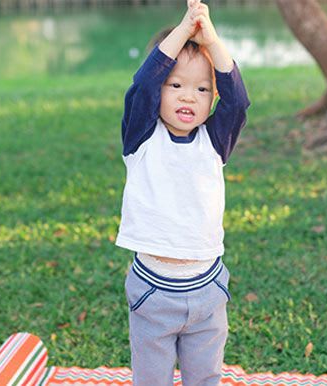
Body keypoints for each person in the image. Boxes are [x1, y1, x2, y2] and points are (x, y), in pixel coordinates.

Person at [116, 0, 251, 384]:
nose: (188, 96)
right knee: (152, 379)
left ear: (212, 98)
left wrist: (210, 38)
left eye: (201, 88)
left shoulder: (214, 141)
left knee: (205, 376)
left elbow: (238, 101)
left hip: (207, 287)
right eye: (175, 85)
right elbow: (142, 85)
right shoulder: (141, 137)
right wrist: (182, 30)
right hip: (153, 293)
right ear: (159, 90)